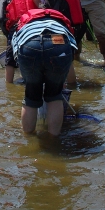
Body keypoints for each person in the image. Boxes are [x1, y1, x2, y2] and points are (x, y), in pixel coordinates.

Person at [12, 8, 77, 136]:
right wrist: (60, 80)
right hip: (58, 41)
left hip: (29, 42)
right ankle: (53, 140)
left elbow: (16, 52)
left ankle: (28, 139)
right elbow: (71, 53)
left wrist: (29, 77)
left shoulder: (24, 23)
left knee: (31, 96)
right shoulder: (61, 24)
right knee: (54, 95)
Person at [42, 0, 83, 85]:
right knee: (68, 57)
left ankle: (65, 86)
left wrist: (38, 4)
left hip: (62, 28)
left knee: (62, 57)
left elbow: (48, 11)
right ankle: (73, 85)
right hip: (78, 28)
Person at [0, 0, 39, 83]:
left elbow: (1, 18)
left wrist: (7, 34)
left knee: (10, 59)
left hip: (16, 27)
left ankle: (9, 86)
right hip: (33, 28)